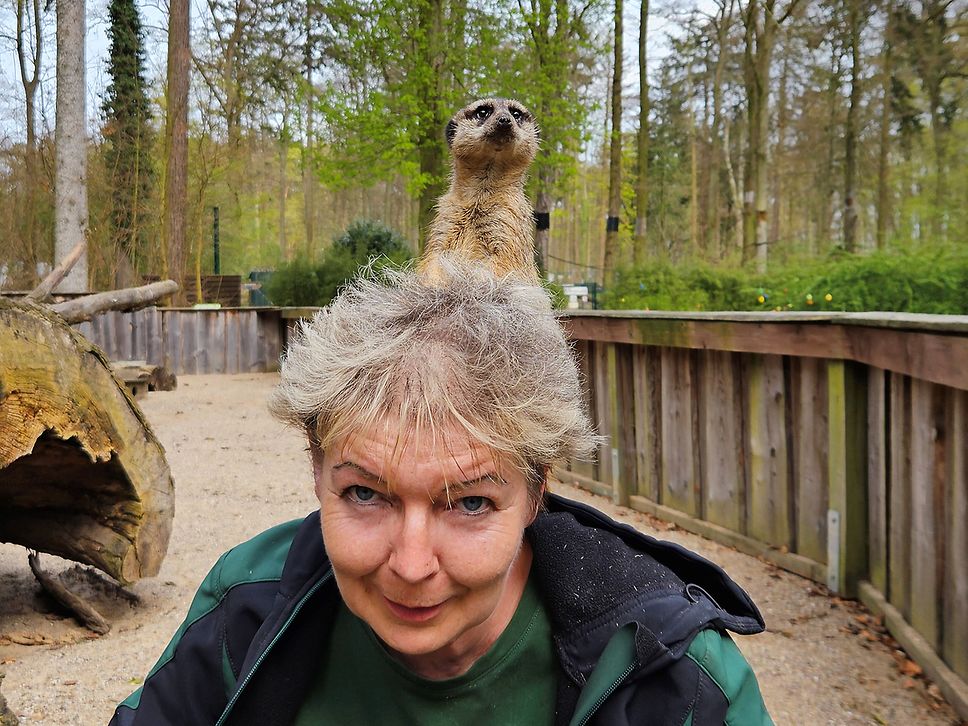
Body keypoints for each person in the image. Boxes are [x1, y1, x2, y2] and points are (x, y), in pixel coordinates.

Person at [110, 260, 773, 725]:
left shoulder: (673, 670)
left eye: (471, 503)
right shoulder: (252, 605)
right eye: (367, 494)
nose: (411, 563)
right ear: (316, 468)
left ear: (539, 489)